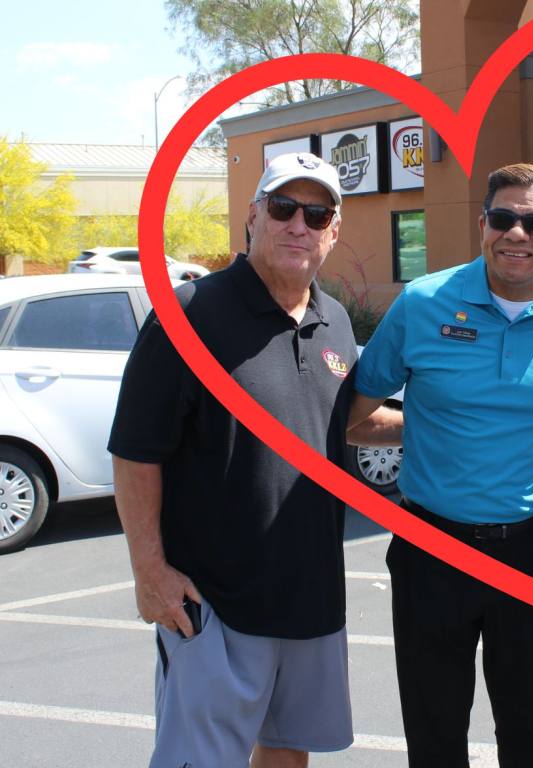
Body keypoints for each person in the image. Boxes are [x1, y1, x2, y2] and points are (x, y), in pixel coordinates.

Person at [108, 152, 400, 768]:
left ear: (334, 230)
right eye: (284, 207)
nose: (300, 224)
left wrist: (447, 427)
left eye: (316, 213)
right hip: (214, 602)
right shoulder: (190, 314)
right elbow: (136, 453)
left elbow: (345, 421)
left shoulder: (335, 321)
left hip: (311, 596)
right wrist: (149, 571)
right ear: (253, 216)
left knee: (289, 755)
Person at [348, 163, 533, 767]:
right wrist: (431, 427)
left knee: (525, 729)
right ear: (482, 225)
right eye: (505, 218)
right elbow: (353, 417)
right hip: (430, 547)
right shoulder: (424, 302)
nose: (518, 233)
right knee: (433, 729)